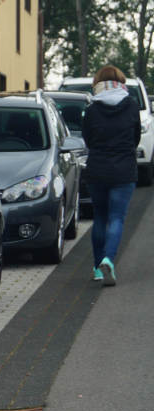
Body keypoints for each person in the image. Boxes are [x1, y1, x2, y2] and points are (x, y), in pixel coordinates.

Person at [81, 65, 140, 286]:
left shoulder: (92, 109)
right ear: (121, 82)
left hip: (97, 169)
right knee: (117, 217)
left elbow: (87, 139)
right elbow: (135, 137)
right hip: (124, 170)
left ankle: (97, 268)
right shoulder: (132, 105)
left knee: (100, 217)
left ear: (98, 83)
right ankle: (109, 259)